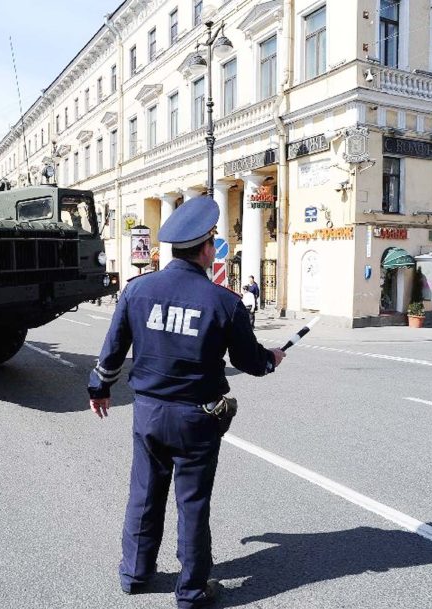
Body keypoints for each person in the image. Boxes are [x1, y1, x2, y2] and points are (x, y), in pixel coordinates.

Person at [87, 196, 286, 609]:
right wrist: (271, 359)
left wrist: (99, 388)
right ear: (207, 248)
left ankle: (135, 573)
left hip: (148, 412)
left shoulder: (137, 290)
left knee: (144, 493)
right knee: (192, 502)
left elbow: (112, 352)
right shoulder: (224, 302)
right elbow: (249, 363)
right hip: (197, 417)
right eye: (213, 243)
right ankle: (192, 592)